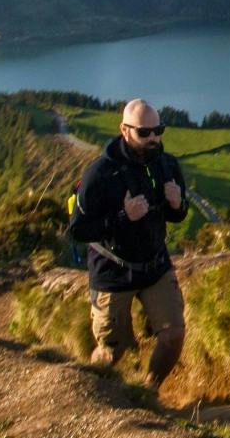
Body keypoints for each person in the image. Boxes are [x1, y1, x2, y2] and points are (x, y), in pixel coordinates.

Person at [67, 98, 189, 391]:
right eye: (144, 133)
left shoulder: (167, 165)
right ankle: (90, 394)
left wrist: (177, 204)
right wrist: (123, 216)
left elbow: (177, 214)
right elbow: (77, 231)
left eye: (158, 130)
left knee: (173, 335)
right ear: (124, 129)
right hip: (113, 271)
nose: (153, 138)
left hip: (155, 266)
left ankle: (149, 391)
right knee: (111, 351)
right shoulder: (100, 173)